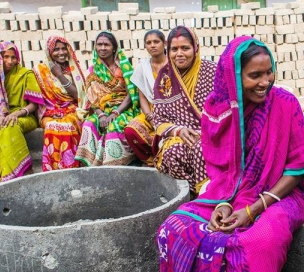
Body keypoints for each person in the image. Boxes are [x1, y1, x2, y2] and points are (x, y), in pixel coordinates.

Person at [157, 36, 304, 272]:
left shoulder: (284, 103)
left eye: (269, 72)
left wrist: (253, 209)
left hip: (281, 194)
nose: (265, 82)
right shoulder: (218, 110)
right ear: (233, 76)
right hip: (227, 193)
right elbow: (220, 169)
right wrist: (223, 205)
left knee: (256, 242)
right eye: (254, 75)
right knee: (172, 228)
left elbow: (300, 167)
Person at [151, 26, 216, 193]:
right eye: (174, 49)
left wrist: (207, 131)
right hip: (179, 135)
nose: (179, 53)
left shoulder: (212, 71)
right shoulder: (164, 77)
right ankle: (188, 195)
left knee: (201, 149)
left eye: (185, 48)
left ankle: (209, 195)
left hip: (211, 132)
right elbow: (158, 119)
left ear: (196, 48)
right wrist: (178, 131)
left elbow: (226, 109)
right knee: (173, 153)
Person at [75, 31, 140, 166]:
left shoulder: (123, 66)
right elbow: (92, 97)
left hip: (123, 108)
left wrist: (115, 113)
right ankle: (90, 165)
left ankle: (114, 166)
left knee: (114, 126)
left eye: (106, 45)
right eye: (99, 44)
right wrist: (101, 115)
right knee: (89, 124)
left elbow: (131, 95)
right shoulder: (94, 69)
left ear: (114, 47)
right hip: (102, 110)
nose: (102, 48)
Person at [0, 41, 45, 182]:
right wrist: (0, 115)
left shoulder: (25, 74)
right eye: (6, 57)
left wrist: (17, 113)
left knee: (10, 126)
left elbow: (34, 105)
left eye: (13, 57)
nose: (10, 61)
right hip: (5, 116)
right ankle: (9, 171)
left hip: (26, 115)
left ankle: (24, 170)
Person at [33, 36, 86, 171]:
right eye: (56, 49)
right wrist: (51, 112)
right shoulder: (40, 70)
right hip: (50, 112)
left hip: (72, 109)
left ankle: (71, 167)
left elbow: (78, 95)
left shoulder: (73, 69)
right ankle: (53, 169)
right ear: (49, 52)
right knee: (52, 126)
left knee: (68, 126)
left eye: (63, 49)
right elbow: (38, 99)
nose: (61, 52)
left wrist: (60, 75)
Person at [124, 30, 167, 166]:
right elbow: (142, 95)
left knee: (164, 134)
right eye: (148, 43)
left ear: (164, 43)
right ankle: (149, 161)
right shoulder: (143, 67)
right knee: (131, 130)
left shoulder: (173, 64)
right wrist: (149, 115)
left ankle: (164, 159)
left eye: (156, 42)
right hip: (151, 110)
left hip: (171, 110)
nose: (152, 45)